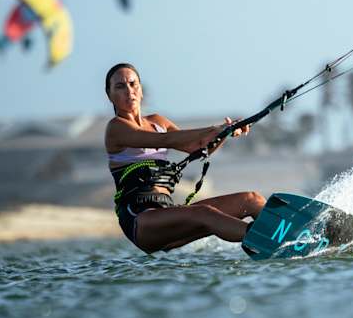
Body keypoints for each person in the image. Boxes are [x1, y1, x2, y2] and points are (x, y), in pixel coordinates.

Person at [105, 63, 266, 253]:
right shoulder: (116, 128)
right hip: (141, 220)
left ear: (141, 90)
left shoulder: (158, 121)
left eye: (133, 84)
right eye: (120, 86)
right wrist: (215, 129)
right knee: (204, 214)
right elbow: (164, 139)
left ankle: (296, 234)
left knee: (251, 199)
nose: (129, 91)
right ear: (110, 96)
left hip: (169, 213)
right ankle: (266, 241)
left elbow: (198, 147)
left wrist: (227, 133)